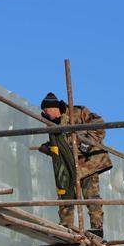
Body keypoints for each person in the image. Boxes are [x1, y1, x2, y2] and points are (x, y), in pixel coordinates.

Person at [37, 93, 112, 238]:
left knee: (91, 195)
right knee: (65, 193)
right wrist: (48, 148)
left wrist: (87, 141)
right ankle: (66, 225)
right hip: (69, 166)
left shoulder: (77, 112)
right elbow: (61, 146)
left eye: (46, 111)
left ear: (53, 108)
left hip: (89, 163)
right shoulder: (53, 125)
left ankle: (97, 227)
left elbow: (99, 125)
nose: (45, 114)